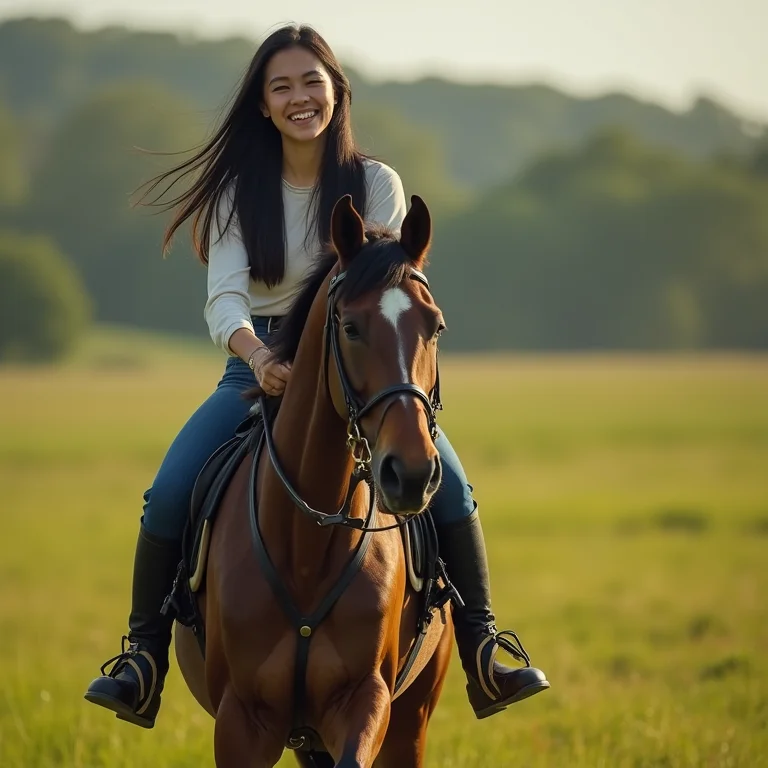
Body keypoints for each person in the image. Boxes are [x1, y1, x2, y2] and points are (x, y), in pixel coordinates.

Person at [83, 23, 549, 729]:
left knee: (452, 488)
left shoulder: (376, 184)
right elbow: (225, 300)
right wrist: (260, 358)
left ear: (337, 92)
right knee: (169, 493)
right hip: (258, 366)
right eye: (282, 87)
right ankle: (142, 658)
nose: (299, 97)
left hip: (362, 365)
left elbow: (383, 285)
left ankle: (484, 646)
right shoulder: (238, 193)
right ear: (263, 104)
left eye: (311, 82)